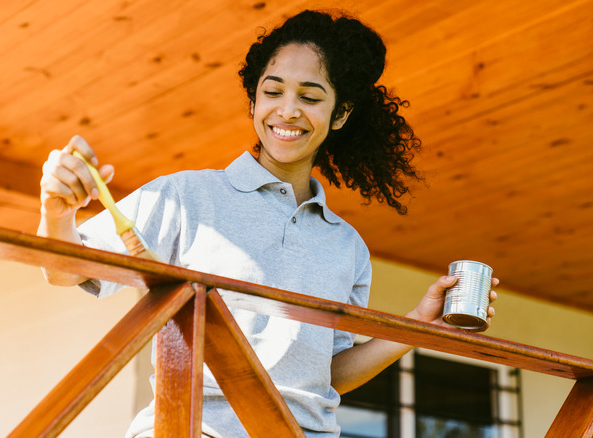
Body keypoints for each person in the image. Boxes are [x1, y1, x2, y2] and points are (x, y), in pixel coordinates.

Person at [38, 9, 497, 438]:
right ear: (254, 100)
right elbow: (65, 270)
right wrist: (58, 212)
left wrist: (420, 324)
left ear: (340, 114)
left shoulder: (347, 246)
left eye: (310, 97)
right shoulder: (186, 195)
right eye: (272, 91)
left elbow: (328, 373)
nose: (287, 110)